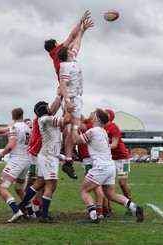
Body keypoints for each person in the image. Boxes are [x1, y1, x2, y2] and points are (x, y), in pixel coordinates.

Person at [72, 108, 144, 223]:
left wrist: (75, 126)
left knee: (84, 191)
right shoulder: (102, 131)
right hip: (109, 166)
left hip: (101, 167)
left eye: (94, 113)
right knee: (111, 194)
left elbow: (75, 140)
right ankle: (136, 208)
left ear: (96, 118)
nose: (92, 114)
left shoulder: (93, 131)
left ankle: (93, 216)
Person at [18, 100, 71, 223]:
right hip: (49, 157)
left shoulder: (46, 119)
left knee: (41, 183)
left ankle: (22, 205)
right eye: (47, 106)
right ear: (44, 109)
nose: (49, 108)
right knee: (51, 185)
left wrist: (64, 111)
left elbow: (62, 125)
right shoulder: (45, 119)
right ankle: (44, 214)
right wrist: (68, 106)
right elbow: (67, 120)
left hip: (46, 155)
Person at [56, 16, 94, 180]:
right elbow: (62, 85)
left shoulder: (72, 59)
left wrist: (83, 30)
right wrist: (68, 101)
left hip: (77, 98)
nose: (73, 48)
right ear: (67, 53)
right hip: (72, 98)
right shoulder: (65, 66)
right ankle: (64, 153)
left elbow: (77, 43)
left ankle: (69, 161)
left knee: (72, 128)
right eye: (70, 48)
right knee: (73, 127)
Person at [0, 108, 32, 223]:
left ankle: (16, 211)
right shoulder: (27, 128)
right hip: (26, 161)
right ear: (22, 116)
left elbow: (11, 145)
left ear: (12, 117)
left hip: (16, 161)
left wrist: (2, 154)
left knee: (2, 188)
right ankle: (30, 212)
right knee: (18, 188)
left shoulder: (14, 128)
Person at [104, 109, 132, 215]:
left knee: (122, 183)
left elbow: (114, 145)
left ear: (110, 117)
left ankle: (130, 204)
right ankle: (107, 207)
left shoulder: (113, 127)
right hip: (110, 159)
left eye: (105, 114)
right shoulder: (100, 128)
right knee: (106, 183)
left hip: (122, 159)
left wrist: (102, 147)